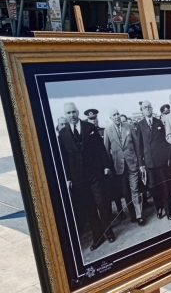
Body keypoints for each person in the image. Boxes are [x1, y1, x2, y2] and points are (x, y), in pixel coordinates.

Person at [58, 103, 116, 251]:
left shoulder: (89, 128)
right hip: (78, 177)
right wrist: (68, 178)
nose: (72, 115)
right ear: (66, 115)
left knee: (101, 202)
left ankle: (108, 231)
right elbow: (64, 158)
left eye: (73, 112)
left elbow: (101, 149)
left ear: (77, 112)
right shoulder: (63, 134)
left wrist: (106, 166)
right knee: (88, 207)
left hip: (95, 173)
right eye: (68, 113)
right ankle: (98, 237)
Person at [103, 108, 145, 226]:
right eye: (114, 115)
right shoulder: (108, 131)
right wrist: (109, 167)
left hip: (132, 163)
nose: (117, 116)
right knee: (126, 193)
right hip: (119, 167)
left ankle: (139, 215)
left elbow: (137, 145)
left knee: (135, 190)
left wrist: (139, 162)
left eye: (118, 114)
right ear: (110, 118)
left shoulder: (129, 126)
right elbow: (106, 151)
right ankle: (132, 214)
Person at [137, 100, 171, 220]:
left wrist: (168, 157)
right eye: (145, 108)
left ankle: (168, 210)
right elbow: (139, 146)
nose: (147, 109)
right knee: (154, 188)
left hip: (161, 161)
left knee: (165, 187)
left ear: (152, 109)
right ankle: (159, 208)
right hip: (149, 163)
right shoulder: (140, 125)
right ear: (142, 111)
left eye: (149, 107)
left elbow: (165, 142)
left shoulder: (158, 122)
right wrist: (141, 164)